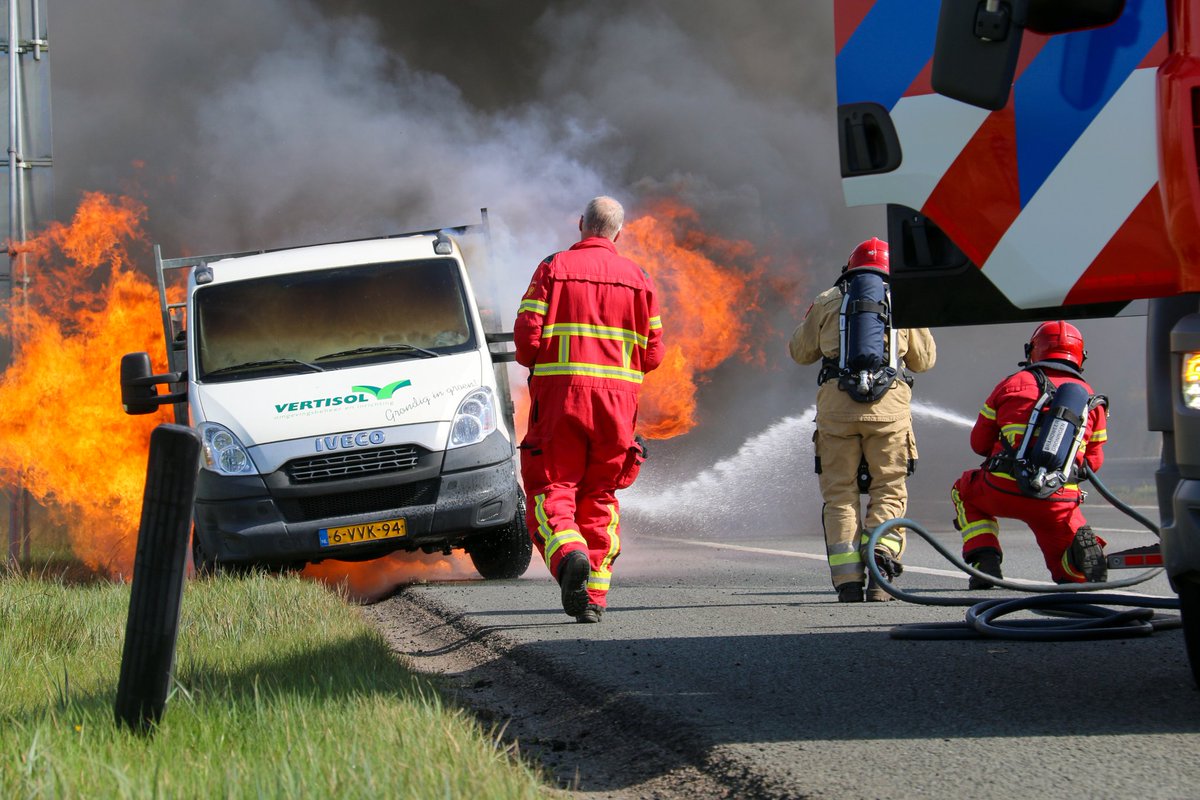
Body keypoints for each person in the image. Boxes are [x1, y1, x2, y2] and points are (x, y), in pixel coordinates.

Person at [514, 196, 664, 623]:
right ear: (619, 232)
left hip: (562, 400)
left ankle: (569, 555)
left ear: (581, 224)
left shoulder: (552, 267)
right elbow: (653, 355)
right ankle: (594, 598)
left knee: (553, 486)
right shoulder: (641, 279)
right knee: (600, 494)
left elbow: (526, 344)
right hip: (617, 407)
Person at [789, 237, 936, 602]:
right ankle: (882, 560)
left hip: (837, 410)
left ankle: (848, 582)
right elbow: (924, 360)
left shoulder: (828, 299)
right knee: (888, 489)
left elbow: (800, 352)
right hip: (889, 410)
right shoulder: (903, 301)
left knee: (840, 495)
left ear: (849, 269)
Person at [951, 320, 1109, 587]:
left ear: (1032, 350)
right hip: (1057, 498)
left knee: (964, 491)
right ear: (1080, 356)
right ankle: (1074, 562)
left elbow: (978, 443)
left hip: (1003, 488)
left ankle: (984, 561)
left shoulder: (1012, 384)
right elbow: (1094, 462)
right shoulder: (1090, 399)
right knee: (1070, 576)